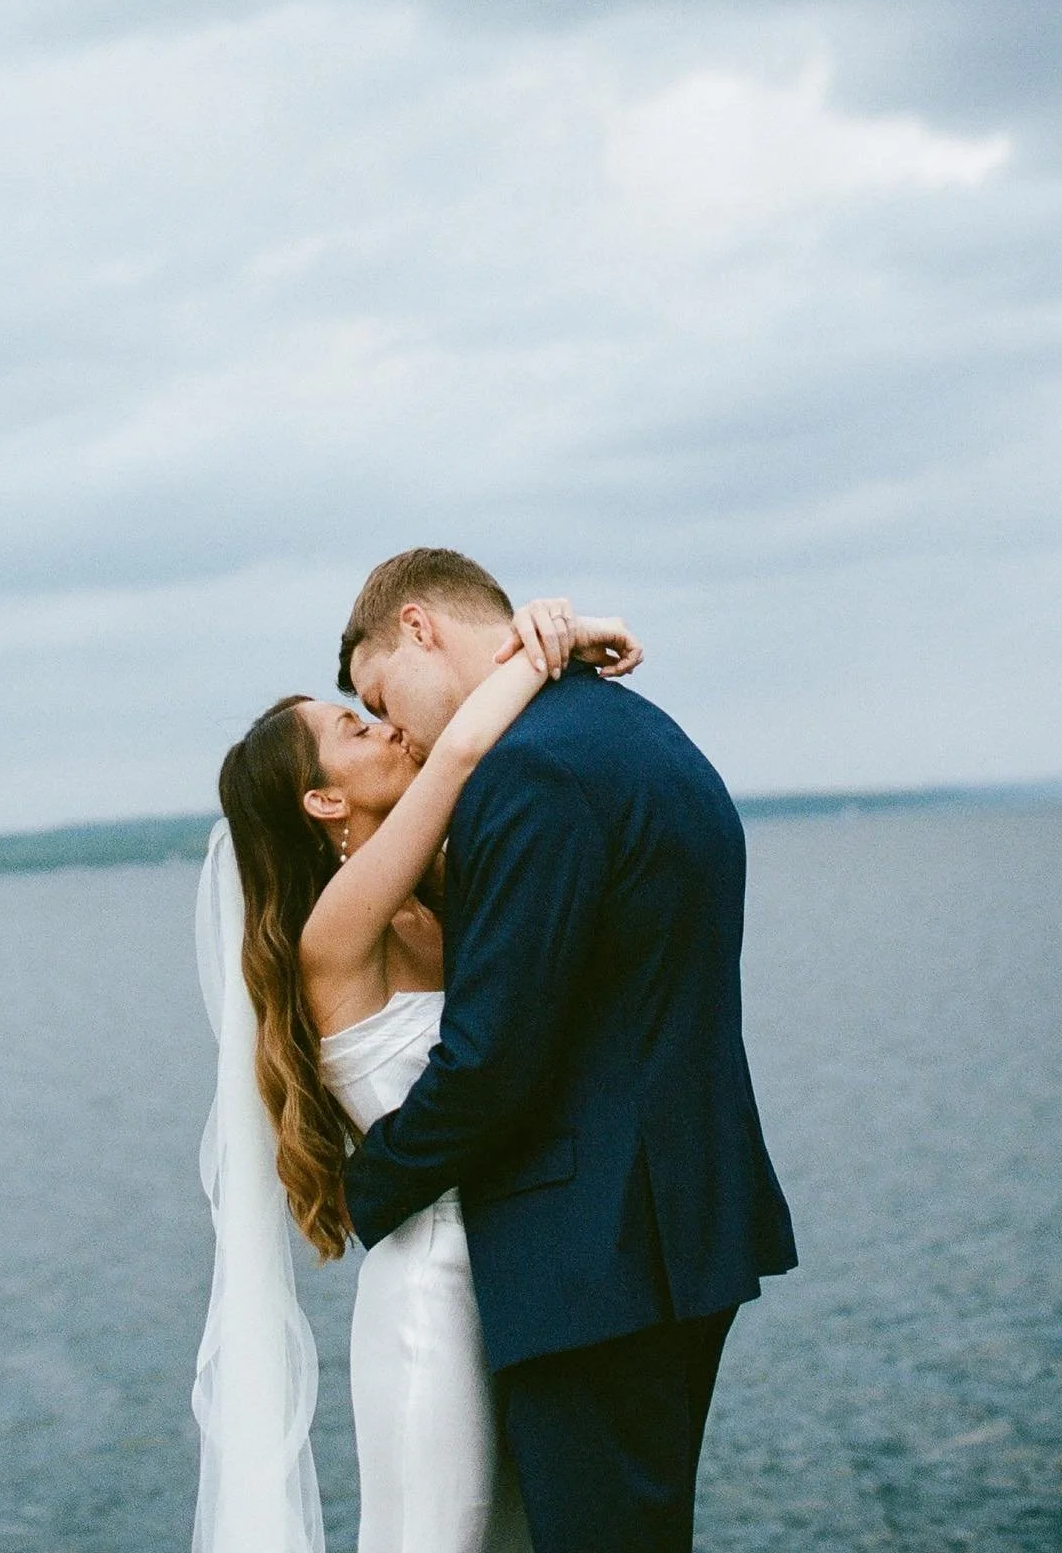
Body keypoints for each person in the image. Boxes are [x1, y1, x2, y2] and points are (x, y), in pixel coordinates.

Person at [338, 549, 797, 1553]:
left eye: (381, 695)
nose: (399, 731)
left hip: (596, 1257)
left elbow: (494, 1058)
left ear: (418, 628)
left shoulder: (531, 772)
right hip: (679, 1229)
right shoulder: (639, 730)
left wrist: (366, 1188)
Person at [193, 591, 640, 1553]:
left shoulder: (426, 902)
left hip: (518, 1273)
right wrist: (541, 648)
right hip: (430, 1295)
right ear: (322, 800)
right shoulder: (338, 930)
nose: (387, 728)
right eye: (356, 727)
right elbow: (464, 753)